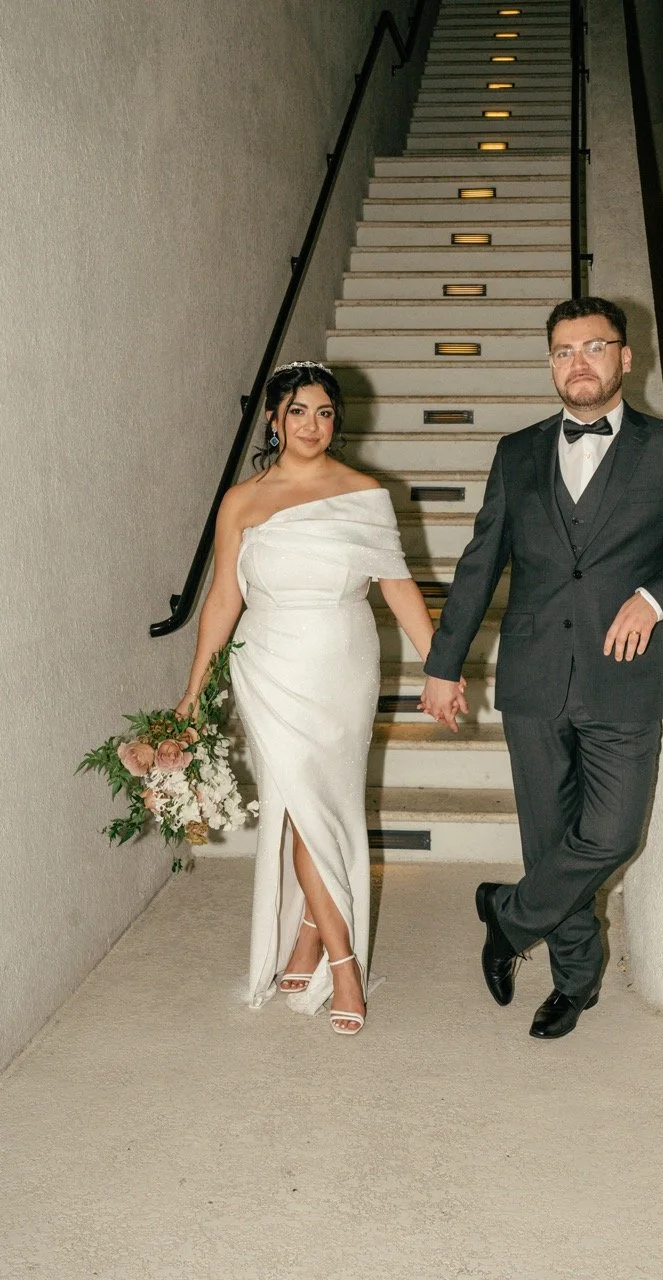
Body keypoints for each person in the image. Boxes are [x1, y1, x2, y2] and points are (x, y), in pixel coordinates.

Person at [420, 297, 663, 1040]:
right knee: (547, 837)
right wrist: (444, 665)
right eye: (564, 350)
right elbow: (479, 567)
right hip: (533, 677)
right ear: (551, 363)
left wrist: (656, 597)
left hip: (623, 681)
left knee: (611, 833)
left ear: (626, 359)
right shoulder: (516, 452)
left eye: (595, 347)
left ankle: (506, 917)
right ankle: (575, 981)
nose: (579, 363)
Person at [176, 361, 434, 1035]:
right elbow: (224, 598)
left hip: (343, 661)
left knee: (324, 805)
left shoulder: (364, 493)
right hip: (266, 665)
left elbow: (398, 585)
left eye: (324, 413)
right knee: (299, 802)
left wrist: (440, 662)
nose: (312, 425)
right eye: (298, 412)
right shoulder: (241, 500)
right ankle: (343, 964)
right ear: (273, 419)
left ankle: (313, 939)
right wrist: (193, 690)